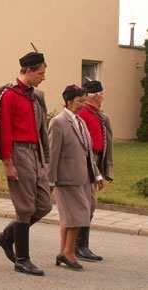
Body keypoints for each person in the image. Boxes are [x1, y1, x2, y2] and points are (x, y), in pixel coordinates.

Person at [0, 49, 52, 276]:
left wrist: (44, 157)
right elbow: (4, 130)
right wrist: (8, 163)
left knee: (44, 205)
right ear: (28, 71)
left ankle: (6, 237)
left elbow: (42, 129)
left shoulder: (34, 96)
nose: (44, 77)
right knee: (25, 208)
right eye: (41, 73)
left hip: (34, 154)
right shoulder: (9, 95)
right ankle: (22, 260)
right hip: (17, 152)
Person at [48, 85, 103, 270]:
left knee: (74, 216)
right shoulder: (58, 122)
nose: (82, 104)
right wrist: (50, 180)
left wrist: (97, 174)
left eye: (83, 101)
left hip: (84, 177)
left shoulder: (79, 121)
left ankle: (63, 251)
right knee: (77, 216)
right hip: (66, 179)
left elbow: (88, 151)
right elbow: (52, 154)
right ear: (69, 101)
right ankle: (69, 253)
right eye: (79, 101)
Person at [76, 80, 112, 261]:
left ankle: (81, 245)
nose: (104, 97)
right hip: (86, 160)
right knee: (87, 205)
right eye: (102, 94)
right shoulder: (84, 113)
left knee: (89, 204)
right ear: (96, 95)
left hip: (95, 159)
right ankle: (79, 246)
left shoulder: (96, 114)